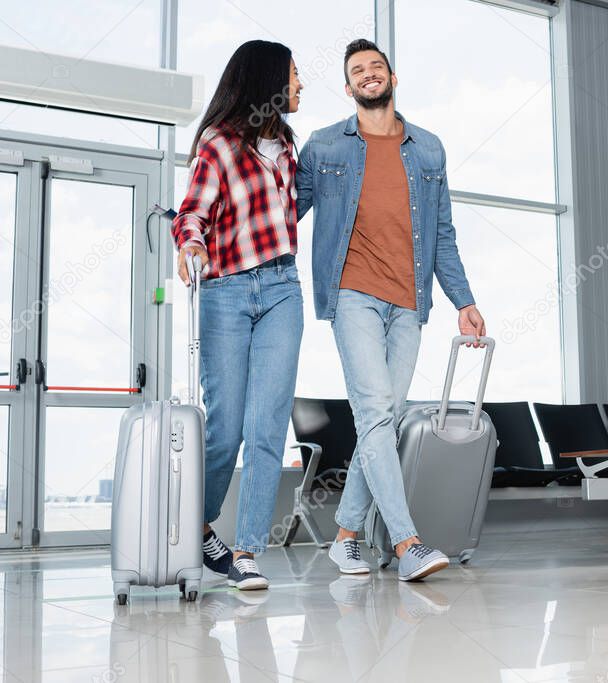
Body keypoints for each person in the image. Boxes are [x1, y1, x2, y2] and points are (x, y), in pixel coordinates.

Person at [296, 38, 486, 582]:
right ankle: (407, 544)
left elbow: (443, 233)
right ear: (349, 86)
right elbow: (286, 211)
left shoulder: (428, 149)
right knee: (377, 411)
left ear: (392, 78)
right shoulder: (325, 146)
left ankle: (347, 537)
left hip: (409, 301)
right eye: (357, 70)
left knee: (381, 417)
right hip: (351, 292)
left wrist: (464, 300)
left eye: (376, 66)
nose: (368, 74)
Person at [172, 40, 304, 590]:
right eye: (294, 76)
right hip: (226, 291)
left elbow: (286, 215)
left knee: (267, 426)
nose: (301, 85)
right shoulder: (220, 144)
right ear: (269, 79)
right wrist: (191, 246)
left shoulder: (290, 149)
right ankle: (191, 529)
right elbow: (192, 212)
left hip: (282, 289)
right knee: (225, 429)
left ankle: (247, 550)